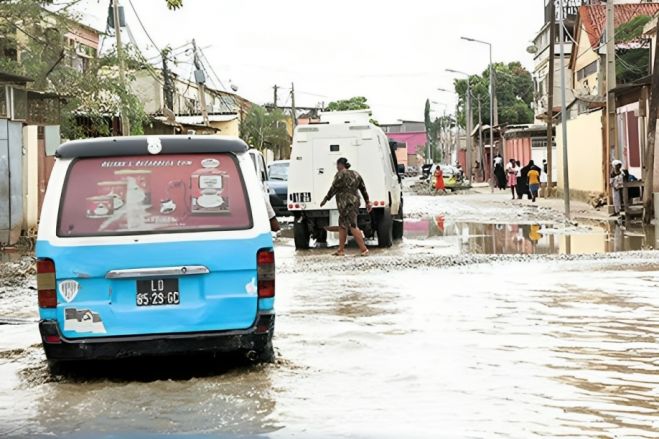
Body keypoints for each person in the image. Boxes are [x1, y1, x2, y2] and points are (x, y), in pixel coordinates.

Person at [320, 157, 372, 257]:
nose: (336, 167)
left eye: (337, 165)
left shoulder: (340, 174)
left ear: (340, 165)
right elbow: (363, 189)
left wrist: (326, 198)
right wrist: (367, 201)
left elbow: (333, 188)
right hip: (355, 201)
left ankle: (364, 249)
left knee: (353, 225)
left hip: (346, 204)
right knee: (342, 225)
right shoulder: (356, 174)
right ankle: (341, 250)